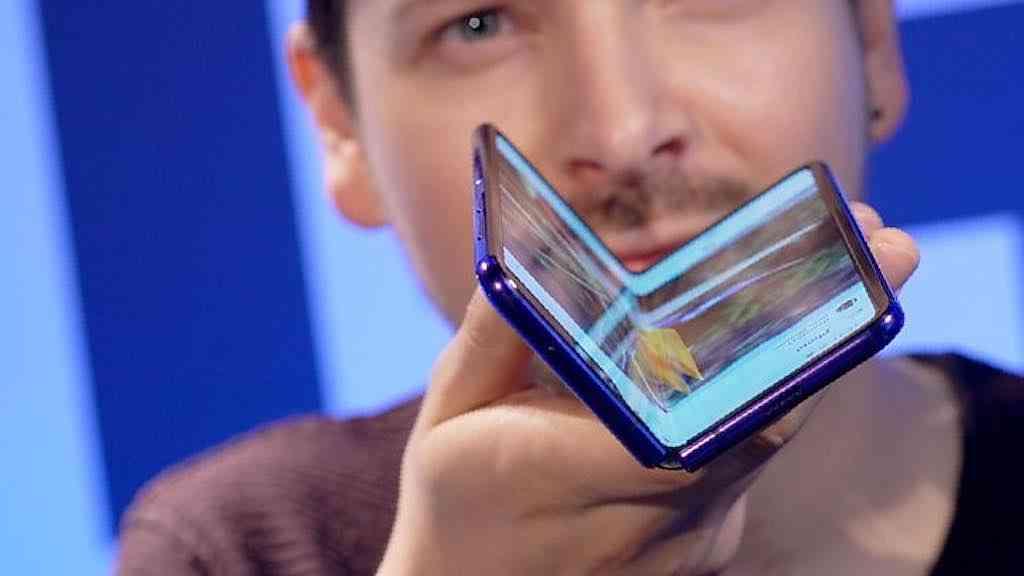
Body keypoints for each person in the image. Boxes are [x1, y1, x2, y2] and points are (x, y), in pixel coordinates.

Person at [115, 1, 1024, 574]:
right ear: (338, 128)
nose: (623, 133)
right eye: (478, 24)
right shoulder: (231, 549)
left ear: (873, 40)